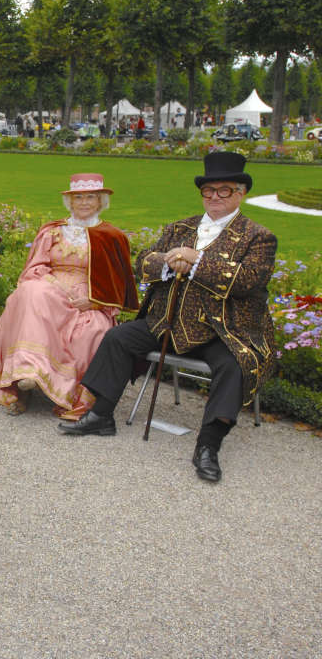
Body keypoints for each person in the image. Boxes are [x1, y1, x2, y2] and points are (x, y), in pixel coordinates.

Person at [59, 152, 276, 484]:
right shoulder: (180, 227)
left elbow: (249, 280)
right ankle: (102, 415)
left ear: (240, 193)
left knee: (233, 366)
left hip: (222, 330)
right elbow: (143, 266)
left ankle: (208, 445)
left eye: (224, 191)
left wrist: (197, 260)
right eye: (209, 191)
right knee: (118, 337)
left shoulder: (258, 237)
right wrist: (166, 258)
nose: (215, 197)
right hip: (168, 323)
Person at [0, 174, 139, 418]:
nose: (83, 202)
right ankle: (24, 379)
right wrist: (55, 286)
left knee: (94, 330)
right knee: (31, 293)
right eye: (78, 197)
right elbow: (35, 268)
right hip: (51, 288)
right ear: (70, 202)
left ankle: (67, 394)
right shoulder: (53, 231)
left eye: (90, 197)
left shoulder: (113, 237)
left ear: (101, 201)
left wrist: (94, 301)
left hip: (90, 298)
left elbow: (119, 285)